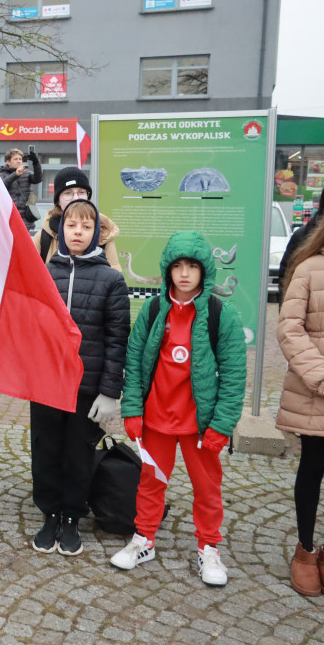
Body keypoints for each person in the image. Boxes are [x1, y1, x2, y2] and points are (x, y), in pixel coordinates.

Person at [111, 230, 245, 587]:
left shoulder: (221, 314)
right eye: (177, 266)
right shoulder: (155, 310)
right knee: (151, 482)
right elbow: (136, 361)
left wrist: (222, 424)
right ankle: (144, 539)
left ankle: (209, 547)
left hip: (199, 424)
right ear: (168, 270)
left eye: (192, 266)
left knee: (207, 487)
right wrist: (132, 410)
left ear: (204, 271)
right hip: (157, 418)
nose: (184, 273)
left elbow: (234, 375)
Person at [30, 199, 129, 556]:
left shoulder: (111, 279)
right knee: (46, 451)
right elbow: (32, 329)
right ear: (61, 230)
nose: (77, 232)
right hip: (47, 384)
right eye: (72, 225)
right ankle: (50, 513)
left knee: (77, 453)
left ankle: (72, 515)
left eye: (86, 227)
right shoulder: (45, 273)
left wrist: (109, 392)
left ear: (96, 235)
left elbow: (118, 339)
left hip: (86, 389)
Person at [274, 221, 324, 595]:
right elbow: (290, 327)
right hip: (315, 393)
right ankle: (305, 550)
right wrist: (320, 376)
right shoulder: (308, 269)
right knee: (313, 467)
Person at [34, 167, 122, 273]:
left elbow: (113, 281)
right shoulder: (43, 238)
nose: (76, 198)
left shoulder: (103, 233)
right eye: (68, 193)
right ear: (58, 200)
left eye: (81, 192)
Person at [0, 147, 42, 232]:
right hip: (11, 216)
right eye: (15, 159)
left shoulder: (27, 172)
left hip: (27, 217)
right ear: (8, 162)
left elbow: (37, 179)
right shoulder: (2, 174)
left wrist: (36, 163)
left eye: (20, 159)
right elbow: (2, 187)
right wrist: (16, 174)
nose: (19, 161)